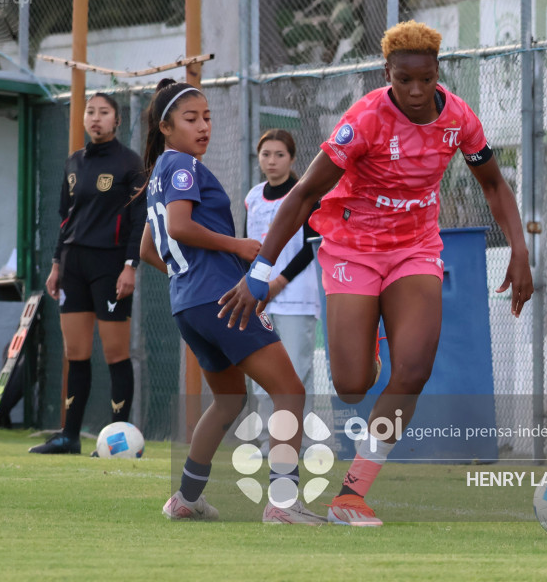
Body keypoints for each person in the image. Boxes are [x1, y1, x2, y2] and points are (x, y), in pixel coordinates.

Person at [218, 21, 534, 526]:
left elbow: (494, 184)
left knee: (413, 370)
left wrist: (519, 250)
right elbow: (302, 196)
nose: (415, 90)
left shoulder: (458, 118)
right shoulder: (364, 118)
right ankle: (368, 337)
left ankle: (352, 493)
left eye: (425, 79)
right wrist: (261, 270)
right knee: (350, 385)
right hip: (353, 248)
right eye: (404, 79)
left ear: (437, 74)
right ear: (387, 73)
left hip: (415, 249)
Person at [137, 78, 325, 524]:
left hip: (189, 305)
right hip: (220, 300)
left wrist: (190, 278)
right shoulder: (183, 166)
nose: (203, 126)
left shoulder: (159, 174)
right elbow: (180, 227)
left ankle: (185, 499)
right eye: (191, 119)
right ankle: (283, 503)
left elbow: (149, 249)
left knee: (227, 401)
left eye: (207, 117)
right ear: (165, 126)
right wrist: (236, 247)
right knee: (290, 391)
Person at [30, 93, 146, 455]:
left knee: (115, 353)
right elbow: (65, 218)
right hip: (72, 265)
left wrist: (131, 266)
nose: (96, 118)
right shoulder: (73, 162)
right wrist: (55, 265)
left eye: (104, 112)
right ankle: (69, 436)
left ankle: (117, 440)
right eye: (90, 111)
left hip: (110, 266)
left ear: (116, 120)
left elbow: (138, 221)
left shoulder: (129, 163)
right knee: (75, 352)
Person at [245, 129, 320, 454]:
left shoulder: (306, 194)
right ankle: (267, 440)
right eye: (266, 154)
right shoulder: (253, 197)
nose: (272, 161)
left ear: (291, 159)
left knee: (297, 370)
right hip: (260, 300)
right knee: (262, 372)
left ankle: (298, 441)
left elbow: (310, 247)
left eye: (279, 154)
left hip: (296, 297)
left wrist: (279, 282)